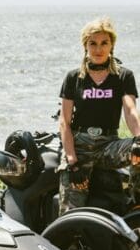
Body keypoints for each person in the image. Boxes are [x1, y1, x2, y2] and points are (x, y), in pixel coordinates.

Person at [58, 16, 140, 214]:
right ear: (85, 45)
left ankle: (134, 205)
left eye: (104, 43)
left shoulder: (123, 76)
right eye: (92, 43)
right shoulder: (73, 77)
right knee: (70, 214)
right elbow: (64, 122)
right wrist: (72, 162)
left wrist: (138, 139)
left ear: (112, 44)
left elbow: (130, 110)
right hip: (79, 147)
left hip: (108, 146)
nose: (98, 49)